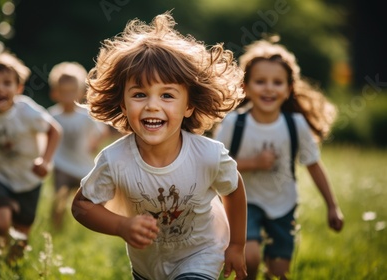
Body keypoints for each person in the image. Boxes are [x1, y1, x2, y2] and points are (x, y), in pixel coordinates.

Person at [71, 13, 248, 280]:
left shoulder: (208, 155)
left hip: (202, 254)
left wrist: (236, 245)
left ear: (188, 106)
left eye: (167, 95)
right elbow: (82, 207)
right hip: (147, 266)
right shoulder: (115, 159)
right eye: (140, 94)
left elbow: (233, 190)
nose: (152, 105)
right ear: (123, 104)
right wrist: (122, 225)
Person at [214, 38, 344, 280]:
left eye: (277, 82)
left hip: (283, 204)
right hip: (244, 202)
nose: (269, 88)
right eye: (260, 81)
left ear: (289, 88)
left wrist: (332, 206)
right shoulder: (234, 123)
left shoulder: (295, 125)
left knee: (278, 272)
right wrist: (254, 163)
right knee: (249, 257)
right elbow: (215, 166)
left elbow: (314, 165)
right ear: (246, 86)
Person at [0, 52, 62, 263]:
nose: (0, 88)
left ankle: (11, 265)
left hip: (29, 176)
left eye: (7, 83)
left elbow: (55, 130)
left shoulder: (27, 111)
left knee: (22, 232)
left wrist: (45, 160)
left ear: (19, 88)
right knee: (0, 222)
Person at [47, 61, 109, 230]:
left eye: (72, 92)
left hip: (83, 165)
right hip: (61, 165)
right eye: (63, 92)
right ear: (55, 93)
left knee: (88, 200)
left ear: (81, 92)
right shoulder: (52, 116)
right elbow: (45, 136)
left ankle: (92, 227)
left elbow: (102, 131)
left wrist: (93, 144)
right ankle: (56, 228)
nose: (68, 96)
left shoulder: (86, 115)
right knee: (59, 197)